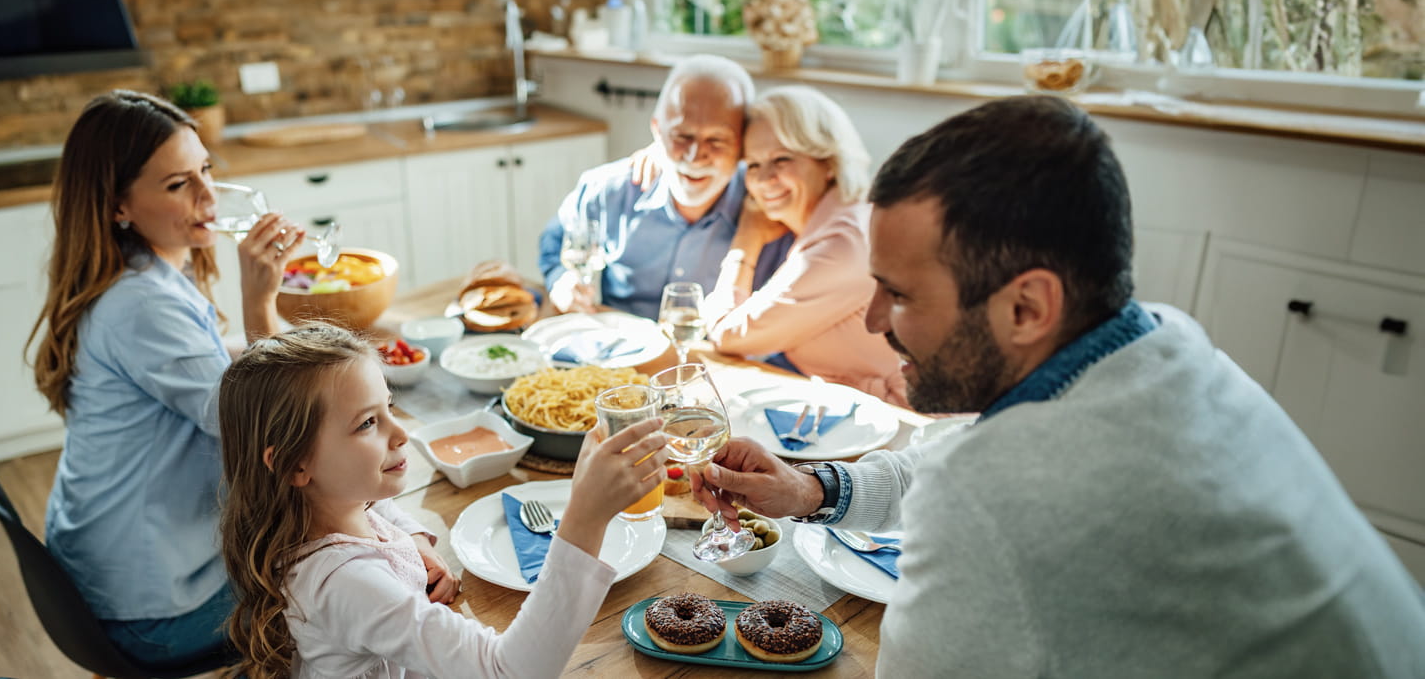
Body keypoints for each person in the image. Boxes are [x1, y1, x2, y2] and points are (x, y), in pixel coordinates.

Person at [693, 95, 1425, 677]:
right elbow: (974, 454)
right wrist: (814, 490)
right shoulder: (1166, 342)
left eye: (900, 294)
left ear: (1028, 306)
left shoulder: (993, 499)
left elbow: (981, 487)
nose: (877, 318)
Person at [215, 323, 669, 678]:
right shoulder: (347, 585)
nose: (402, 433)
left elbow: (380, 505)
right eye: (366, 424)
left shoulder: (330, 508)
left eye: (389, 407)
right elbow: (510, 670)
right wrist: (583, 520)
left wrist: (412, 536)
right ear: (295, 465)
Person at [28, 90, 307, 668]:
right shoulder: (140, 305)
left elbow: (205, 361)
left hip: (107, 565)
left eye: (205, 169)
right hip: (150, 608)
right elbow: (258, 422)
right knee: (342, 582)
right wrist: (260, 304)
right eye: (178, 184)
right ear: (118, 206)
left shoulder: (143, 273)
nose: (208, 196)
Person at [536, 54, 789, 318]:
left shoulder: (768, 208)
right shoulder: (609, 189)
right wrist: (560, 278)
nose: (694, 156)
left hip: (712, 356)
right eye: (682, 135)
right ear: (657, 130)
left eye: (717, 140)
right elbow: (556, 238)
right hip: (622, 349)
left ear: (743, 144)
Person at [700, 85, 905, 404]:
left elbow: (728, 335)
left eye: (781, 159)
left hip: (907, 425)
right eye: (753, 165)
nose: (764, 179)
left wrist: (746, 241)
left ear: (829, 162)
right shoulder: (841, 217)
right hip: (849, 412)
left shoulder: (841, 245)